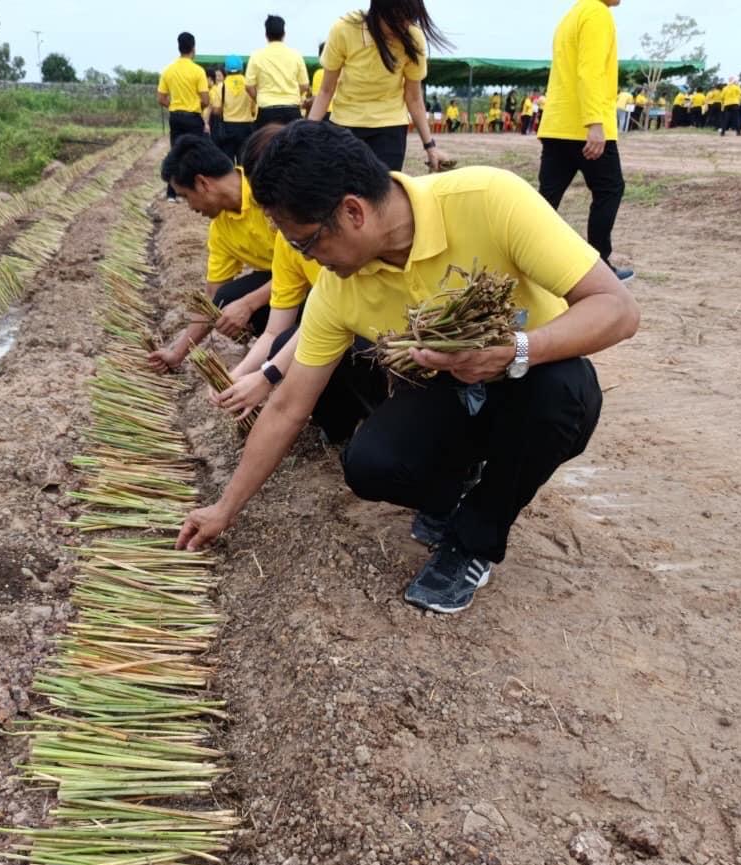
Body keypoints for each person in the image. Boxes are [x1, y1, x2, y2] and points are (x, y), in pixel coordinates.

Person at [174, 120, 639, 614]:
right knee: (370, 464)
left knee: (558, 391)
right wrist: (224, 509)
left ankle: (473, 541)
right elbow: (289, 405)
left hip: (536, 378)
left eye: (307, 244)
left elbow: (618, 309)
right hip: (451, 392)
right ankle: (460, 487)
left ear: (352, 211)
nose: (307, 259)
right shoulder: (339, 287)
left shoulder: (490, 198)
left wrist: (516, 350)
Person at [213, 125, 387, 442]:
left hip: (378, 336)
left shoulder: (345, 236)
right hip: (334, 327)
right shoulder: (289, 242)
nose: (269, 216)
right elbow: (274, 329)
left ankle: (381, 415)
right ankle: (342, 429)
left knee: (314, 346)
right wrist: (237, 376)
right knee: (286, 343)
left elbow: (329, 323)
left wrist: (267, 376)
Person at [147, 136, 277, 372]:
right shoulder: (221, 227)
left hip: (324, 276)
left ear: (203, 183)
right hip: (287, 286)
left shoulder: (268, 190)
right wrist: (177, 354)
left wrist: (249, 304)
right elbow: (213, 296)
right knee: (226, 299)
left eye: (186, 196)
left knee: (244, 301)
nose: (191, 208)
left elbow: (305, 268)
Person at [537, 0, 632, 282]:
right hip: (583, 127)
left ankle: (525, 263)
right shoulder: (597, 13)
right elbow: (589, 71)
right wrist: (595, 123)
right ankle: (599, 264)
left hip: (557, 124)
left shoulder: (571, 16)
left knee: (546, 201)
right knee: (609, 189)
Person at [307, 1, 452, 173]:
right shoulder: (344, 29)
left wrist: (430, 146)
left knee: (384, 193)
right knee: (345, 193)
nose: (403, 28)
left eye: (408, 20)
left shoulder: (412, 37)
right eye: (396, 21)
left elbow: (413, 97)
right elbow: (326, 90)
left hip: (390, 127)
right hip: (345, 125)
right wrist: (305, 134)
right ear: (378, 11)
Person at [157, 32, 211, 201]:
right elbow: (205, 99)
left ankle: (172, 193)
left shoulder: (168, 70)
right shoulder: (198, 71)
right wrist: (197, 108)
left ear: (179, 47)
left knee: (176, 152)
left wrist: (173, 106)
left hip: (175, 117)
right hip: (193, 116)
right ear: (193, 48)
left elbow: (161, 98)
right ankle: (192, 191)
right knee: (195, 153)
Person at [246, 14, 309, 127]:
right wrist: (292, 94)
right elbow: (304, 85)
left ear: (266, 35)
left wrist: (259, 98)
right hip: (292, 110)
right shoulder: (296, 55)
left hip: (266, 110)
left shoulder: (256, 56)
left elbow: (249, 86)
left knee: (266, 144)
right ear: (284, 34)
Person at [219, 55, 256, 162]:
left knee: (228, 163)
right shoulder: (249, 85)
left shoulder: (221, 86)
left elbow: (217, 109)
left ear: (226, 70)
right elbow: (254, 108)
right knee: (244, 162)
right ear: (242, 69)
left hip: (228, 128)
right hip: (246, 128)